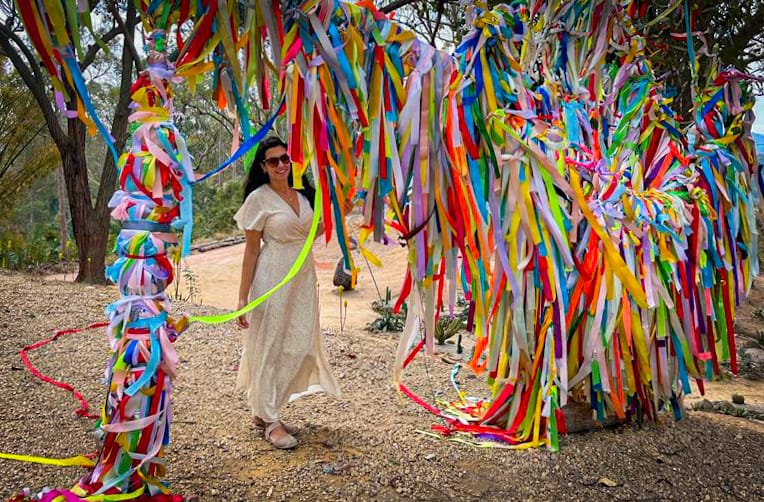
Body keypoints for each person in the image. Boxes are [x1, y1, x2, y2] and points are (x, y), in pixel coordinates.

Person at [234, 136, 340, 449]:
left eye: (284, 158)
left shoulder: (305, 193)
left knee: (298, 344)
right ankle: (270, 420)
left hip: (303, 279)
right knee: (270, 345)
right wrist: (242, 299)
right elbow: (251, 251)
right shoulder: (258, 199)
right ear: (263, 167)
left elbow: (312, 232)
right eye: (273, 161)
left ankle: (262, 408)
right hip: (272, 278)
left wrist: (339, 208)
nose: (281, 165)